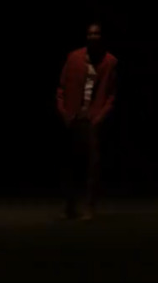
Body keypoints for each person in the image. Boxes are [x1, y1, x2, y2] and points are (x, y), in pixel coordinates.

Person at [56, 22, 116, 220]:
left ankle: (89, 207)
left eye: (97, 33)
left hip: (92, 120)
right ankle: (70, 206)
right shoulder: (74, 58)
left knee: (92, 165)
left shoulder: (109, 62)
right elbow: (61, 88)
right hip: (74, 118)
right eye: (90, 33)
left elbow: (111, 95)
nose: (93, 36)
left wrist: (99, 117)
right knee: (71, 164)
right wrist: (64, 113)